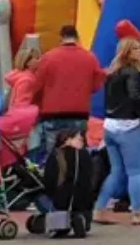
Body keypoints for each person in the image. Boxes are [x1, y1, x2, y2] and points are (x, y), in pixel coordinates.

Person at [25, 25, 106, 163]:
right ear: (77, 38)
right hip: (79, 114)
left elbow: (37, 87)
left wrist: (36, 105)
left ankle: (54, 181)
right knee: (78, 156)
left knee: (53, 157)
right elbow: (96, 85)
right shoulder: (90, 57)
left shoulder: (48, 57)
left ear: (61, 38)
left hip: (52, 114)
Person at [93, 38, 140, 226]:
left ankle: (99, 209)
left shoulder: (112, 74)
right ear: (129, 52)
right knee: (135, 172)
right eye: (137, 48)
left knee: (116, 171)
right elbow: (136, 97)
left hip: (110, 125)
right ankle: (136, 213)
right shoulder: (132, 74)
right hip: (130, 126)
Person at [5, 44, 41, 109]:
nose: (40, 60)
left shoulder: (21, 77)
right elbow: (20, 105)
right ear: (27, 63)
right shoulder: (26, 80)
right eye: (37, 58)